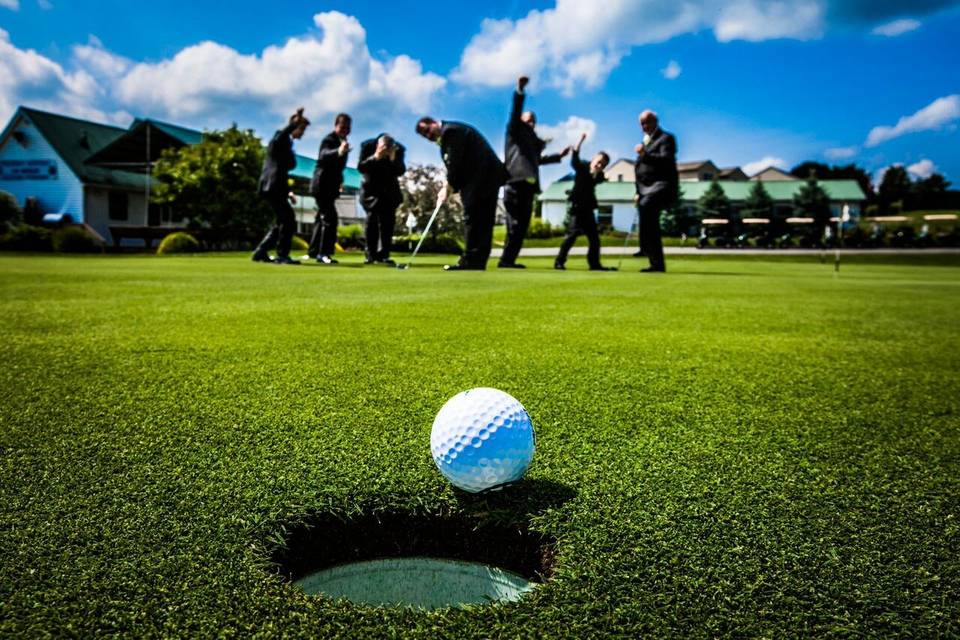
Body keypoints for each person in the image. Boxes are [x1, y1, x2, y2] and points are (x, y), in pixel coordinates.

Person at [415, 117, 508, 271]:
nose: (428, 136)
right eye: (425, 136)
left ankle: (471, 260)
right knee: (480, 219)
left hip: (483, 178)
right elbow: (454, 165)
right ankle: (476, 260)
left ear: (434, 122)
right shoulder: (448, 136)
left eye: (427, 130)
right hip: (480, 179)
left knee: (476, 218)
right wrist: (449, 186)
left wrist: (448, 187)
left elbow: (455, 163)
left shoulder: (451, 131)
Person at [500, 76, 570, 269]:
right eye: (528, 120)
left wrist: (559, 156)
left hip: (530, 187)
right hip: (515, 183)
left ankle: (509, 260)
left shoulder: (532, 145)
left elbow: (538, 160)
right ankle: (506, 260)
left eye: (533, 121)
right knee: (514, 225)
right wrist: (520, 91)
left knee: (521, 227)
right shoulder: (514, 132)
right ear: (521, 121)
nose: (531, 123)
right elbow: (515, 113)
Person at [252, 107, 310, 265]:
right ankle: (282, 255)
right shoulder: (281, 137)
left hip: (277, 186)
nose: (303, 133)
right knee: (288, 220)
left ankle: (261, 251)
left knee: (282, 221)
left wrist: (288, 191)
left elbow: (283, 168)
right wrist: (292, 125)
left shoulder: (288, 144)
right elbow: (278, 140)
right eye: (302, 129)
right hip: (272, 185)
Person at [554, 133, 615, 272]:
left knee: (594, 239)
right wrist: (580, 142)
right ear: (593, 158)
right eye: (598, 161)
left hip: (588, 210)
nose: (599, 164)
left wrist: (602, 174)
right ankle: (559, 261)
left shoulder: (598, 175)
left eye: (602, 164)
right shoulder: (582, 166)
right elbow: (574, 159)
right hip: (577, 208)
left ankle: (594, 264)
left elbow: (600, 178)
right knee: (571, 236)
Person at [634, 110, 677, 273]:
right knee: (647, 218)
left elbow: (666, 161)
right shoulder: (646, 142)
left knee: (647, 211)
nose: (645, 126)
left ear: (656, 121)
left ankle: (654, 259)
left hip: (662, 186)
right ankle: (651, 256)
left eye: (648, 122)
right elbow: (640, 171)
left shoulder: (666, 139)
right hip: (645, 190)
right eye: (642, 123)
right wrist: (638, 191)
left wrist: (645, 154)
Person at [308, 113, 351, 265]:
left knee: (321, 218)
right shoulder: (329, 140)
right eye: (342, 127)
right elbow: (324, 155)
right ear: (336, 126)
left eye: (347, 128)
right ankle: (324, 253)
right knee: (330, 218)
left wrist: (339, 182)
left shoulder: (344, 142)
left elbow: (339, 168)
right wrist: (339, 151)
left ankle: (313, 251)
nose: (345, 130)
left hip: (331, 186)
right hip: (321, 185)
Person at [357, 134, 406, 265]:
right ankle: (371, 255)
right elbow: (361, 167)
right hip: (370, 191)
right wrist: (376, 157)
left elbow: (400, 171)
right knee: (371, 222)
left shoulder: (398, 150)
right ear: (378, 145)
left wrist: (392, 159)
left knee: (388, 224)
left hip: (389, 192)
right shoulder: (367, 146)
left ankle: (384, 254)